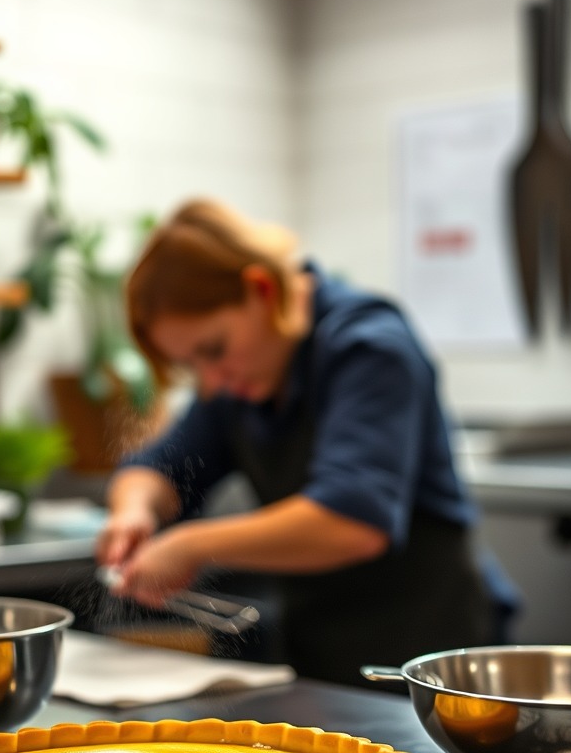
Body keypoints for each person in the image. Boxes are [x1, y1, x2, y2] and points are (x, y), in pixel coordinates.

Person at [95, 198, 509, 687]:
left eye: (213, 349)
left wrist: (191, 546)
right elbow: (160, 465)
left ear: (262, 290)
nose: (212, 381)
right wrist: (134, 512)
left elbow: (352, 521)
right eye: (193, 365)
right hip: (321, 660)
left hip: (427, 658)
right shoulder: (243, 376)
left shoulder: (369, 347)